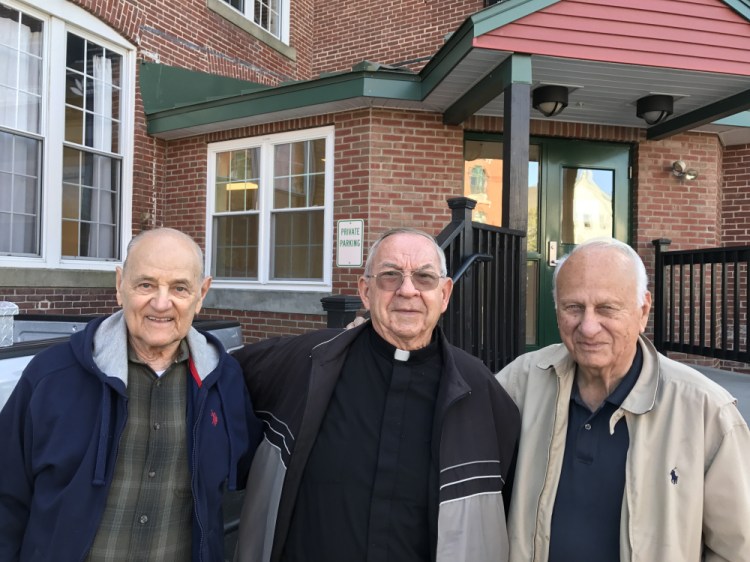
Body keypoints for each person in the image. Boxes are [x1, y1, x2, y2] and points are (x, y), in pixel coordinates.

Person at [233, 227, 521, 562]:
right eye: (390, 276)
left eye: (424, 278)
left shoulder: (480, 390)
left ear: (444, 294)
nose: (407, 290)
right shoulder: (308, 361)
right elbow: (214, 379)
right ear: (365, 291)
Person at [0, 228, 262, 561]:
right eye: (146, 284)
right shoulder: (51, 376)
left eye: (180, 287)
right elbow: (6, 495)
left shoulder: (224, 382)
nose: (161, 302)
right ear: (120, 286)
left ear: (201, 294)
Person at [497, 238, 750, 562]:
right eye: (573, 307)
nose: (588, 327)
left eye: (607, 308)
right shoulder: (523, 380)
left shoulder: (706, 411)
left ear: (642, 311)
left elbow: (736, 549)